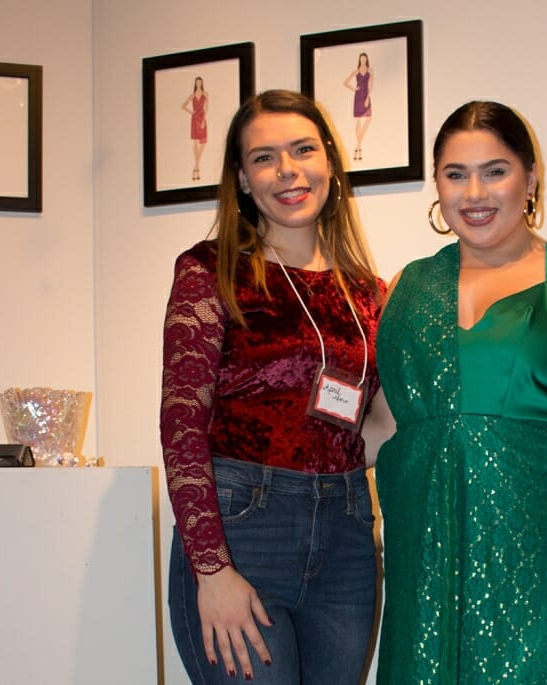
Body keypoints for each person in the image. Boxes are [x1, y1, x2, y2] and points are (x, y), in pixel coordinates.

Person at [373, 101, 547, 683]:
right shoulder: (407, 287)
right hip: (430, 557)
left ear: (530, 177)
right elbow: (387, 427)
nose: (474, 193)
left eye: (495, 170)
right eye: (455, 174)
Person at [161, 89, 385, 684]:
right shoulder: (209, 270)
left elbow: (380, 423)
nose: (287, 170)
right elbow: (181, 426)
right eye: (264, 157)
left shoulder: (368, 293)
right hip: (242, 530)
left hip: (345, 537)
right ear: (241, 178)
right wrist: (210, 570)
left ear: (330, 163)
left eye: (303, 149)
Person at [342, 53, 372, 162]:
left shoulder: (370, 70)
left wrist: (368, 97)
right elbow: (345, 82)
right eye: (361, 58)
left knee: (368, 118)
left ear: (366, 59)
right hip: (358, 96)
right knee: (358, 120)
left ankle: (358, 146)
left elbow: (370, 84)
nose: (363, 60)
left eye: (364, 58)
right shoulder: (356, 71)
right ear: (360, 60)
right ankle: (359, 147)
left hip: (365, 95)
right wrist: (354, 89)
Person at [182, 76, 209, 181]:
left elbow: (207, 107)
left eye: (200, 82)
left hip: (201, 118)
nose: (198, 84)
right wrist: (191, 112)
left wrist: (203, 120)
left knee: (203, 142)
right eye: (197, 82)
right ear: (195, 83)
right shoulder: (192, 95)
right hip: (194, 119)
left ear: (201, 83)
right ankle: (196, 169)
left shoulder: (205, 94)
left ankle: (196, 167)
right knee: (195, 143)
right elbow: (183, 106)